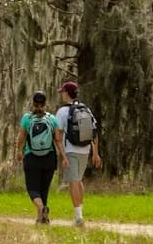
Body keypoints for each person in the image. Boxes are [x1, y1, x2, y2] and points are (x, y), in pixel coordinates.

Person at [53, 81, 101, 227]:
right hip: (85, 150)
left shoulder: (62, 112)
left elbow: (58, 136)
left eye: (62, 92)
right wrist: (95, 153)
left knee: (73, 181)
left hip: (71, 150)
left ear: (67, 93)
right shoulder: (85, 109)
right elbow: (94, 133)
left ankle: (78, 217)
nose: (61, 94)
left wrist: (63, 156)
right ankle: (80, 213)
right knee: (79, 180)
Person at [18, 90, 61, 224]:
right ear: (45, 103)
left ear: (33, 103)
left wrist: (19, 151)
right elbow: (58, 139)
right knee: (44, 189)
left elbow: (21, 137)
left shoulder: (27, 118)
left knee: (33, 189)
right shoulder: (52, 119)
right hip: (49, 157)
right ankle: (43, 218)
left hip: (32, 157)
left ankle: (42, 209)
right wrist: (63, 156)